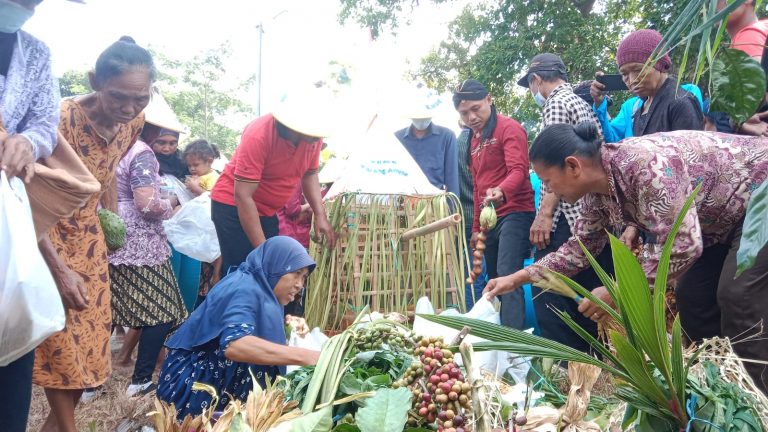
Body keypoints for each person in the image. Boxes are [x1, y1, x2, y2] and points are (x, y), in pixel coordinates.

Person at [484, 122, 768, 392]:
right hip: (719, 225)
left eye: (548, 181)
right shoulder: (598, 194)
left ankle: (760, 400)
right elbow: (579, 249)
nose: (549, 191)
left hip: (758, 196)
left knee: (738, 296)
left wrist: (618, 291)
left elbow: (684, 243)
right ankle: (725, 393)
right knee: (693, 298)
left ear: (572, 166)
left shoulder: (644, 165)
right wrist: (517, 278)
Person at [32, 36, 154, 432]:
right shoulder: (58, 119)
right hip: (44, 233)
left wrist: (111, 222)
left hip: (89, 241)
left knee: (88, 348)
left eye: (141, 99)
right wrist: (57, 269)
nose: (129, 109)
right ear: (93, 81)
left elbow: (107, 175)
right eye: (119, 96)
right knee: (60, 342)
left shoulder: (133, 123)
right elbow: (25, 196)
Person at [157, 236, 321, 418]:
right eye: (296, 273)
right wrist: (308, 357)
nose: (300, 284)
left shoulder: (261, 287)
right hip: (191, 387)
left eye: (304, 277)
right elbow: (235, 345)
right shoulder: (244, 287)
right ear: (276, 266)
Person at [0, 1, 68, 429]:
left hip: (7, 207)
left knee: (11, 321)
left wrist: (26, 140)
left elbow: (45, 123)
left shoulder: (36, 52)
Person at [517, 53, 611, 352]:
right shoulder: (581, 103)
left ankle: (564, 357)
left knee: (550, 292)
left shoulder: (556, 103)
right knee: (587, 283)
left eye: (531, 86)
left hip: (568, 216)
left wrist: (544, 214)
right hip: (589, 215)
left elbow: (553, 165)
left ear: (536, 80)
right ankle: (596, 356)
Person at [210, 88, 336, 278]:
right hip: (233, 206)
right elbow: (243, 195)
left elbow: (310, 174)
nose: (315, 139)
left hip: (268, 211)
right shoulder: (259, 134)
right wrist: (263, 250)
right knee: (244, 272)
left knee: (271, 273)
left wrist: (320, 215)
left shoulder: (313, 137)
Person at [108, 138, 188, 397]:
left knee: (106, 311)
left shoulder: (108, 146)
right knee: (163, 309)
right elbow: (148, 205)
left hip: (107, 233)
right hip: (139, 243)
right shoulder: (140, 152)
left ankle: (89, 384)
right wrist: (172, 202)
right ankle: (141, 380)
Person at [452, 79, 534, 329]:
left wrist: (501, 190)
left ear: (489, 99)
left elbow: (519, 170)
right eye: (464, 113)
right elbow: (477, 186)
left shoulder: (510, 128)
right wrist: (476, 228)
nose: (471, 116)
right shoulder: (473, 141)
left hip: (515, 211)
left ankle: (515, 346)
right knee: (496, 277)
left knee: (508, 274)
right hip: (490, 219)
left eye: (476, 108)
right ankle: (500, 338)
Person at [590, 29, 704, 138]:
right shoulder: (642, 106)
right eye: (624, 74)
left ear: (660, 65)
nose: (632, 80)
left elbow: (691, 155)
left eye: (638, 70)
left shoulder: (680, 102)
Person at [182, 138, 222, 309]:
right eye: (189, 165)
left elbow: (215, 198)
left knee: (211, 263)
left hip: (211, 229)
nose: (192, 169)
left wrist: (196, 189)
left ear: (209, 161)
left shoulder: (214, 178)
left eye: (196, 165)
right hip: (198, 228)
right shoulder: (198, 176)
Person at [394, 101, 459, 196]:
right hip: (404, 202)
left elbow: (452, 177)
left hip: (436, 203)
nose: (421, 121)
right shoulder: (398, 138)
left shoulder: (447, 136)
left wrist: (453, 207)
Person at [457, 124, 486, 309]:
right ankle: (476, 323)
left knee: (468, 273)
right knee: (477, 273)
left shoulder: (454, 144)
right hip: (480, 217)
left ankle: (469, 315)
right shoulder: (478, 142)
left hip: (461, 217)